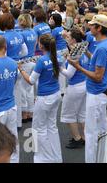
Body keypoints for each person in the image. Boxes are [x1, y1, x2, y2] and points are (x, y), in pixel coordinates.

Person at [68, 14, 107, 163]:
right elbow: (97, 62)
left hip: (96, 93)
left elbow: (97, 76)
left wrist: (77, 66)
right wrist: (86, 52)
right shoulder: (106, 44)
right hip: (100, 93)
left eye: (92, 24)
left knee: (91, 132)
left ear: (99, 28)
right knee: (102, 130)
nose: (89, 26)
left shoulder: (101, 48)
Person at [19, 34, 63, 163]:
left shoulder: (42, 61)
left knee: (39, 128)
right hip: (56, 94)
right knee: (52, 126)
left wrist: (21, 70)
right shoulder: (58, 57)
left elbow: (31, 81)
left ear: (41, 45)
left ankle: (43, 158)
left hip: (45, 97)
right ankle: (55, 157)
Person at [59, 28, 87, 149]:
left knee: (68, 113)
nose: (67, 39)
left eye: (69, 37)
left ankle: (77, 138)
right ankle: (85, 136)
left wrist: (59, 66)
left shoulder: (75, 52)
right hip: (84, 84)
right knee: (82, 113)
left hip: (75, 86)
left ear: (74, 40)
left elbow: (69, 73)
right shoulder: (83, 47)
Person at [18, 14, 37, 123]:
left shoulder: (22, 34)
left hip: (24, 61)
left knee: (22, 88)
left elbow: (22, 51)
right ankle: (30, 111)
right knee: (30, 88)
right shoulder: (33, 32)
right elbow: (34, 46)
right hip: (32, 59)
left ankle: (24, 113)